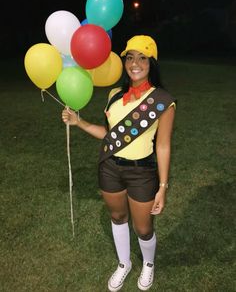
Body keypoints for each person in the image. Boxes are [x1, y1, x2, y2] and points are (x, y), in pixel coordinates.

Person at [62, 35, 176, 291]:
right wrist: (78, 122)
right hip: (110, 167)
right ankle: (124, 263)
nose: (135, 63)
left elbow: (163, 145)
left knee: (144, 227)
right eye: (130, 57)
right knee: (117, 216)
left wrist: (163, 186)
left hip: (142, 172)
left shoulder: (162, 101)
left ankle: (148, 264)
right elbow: (110, 135)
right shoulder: (115, 94)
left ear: (152, 62)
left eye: (142, 57)